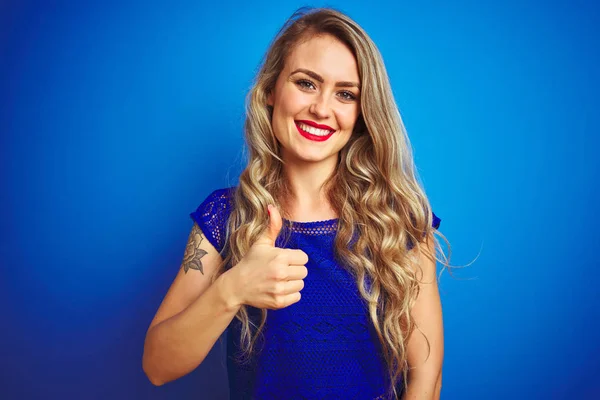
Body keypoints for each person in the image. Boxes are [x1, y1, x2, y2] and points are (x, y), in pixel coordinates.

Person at [143, 7, 449, 400]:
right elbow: (157, 365)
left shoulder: (399, 222)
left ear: (361, 113)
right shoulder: (226, 217)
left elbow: (427, 379)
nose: (322, 108)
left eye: (345, 94)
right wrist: (232, 288)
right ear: (271, 90)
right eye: (306, 83)